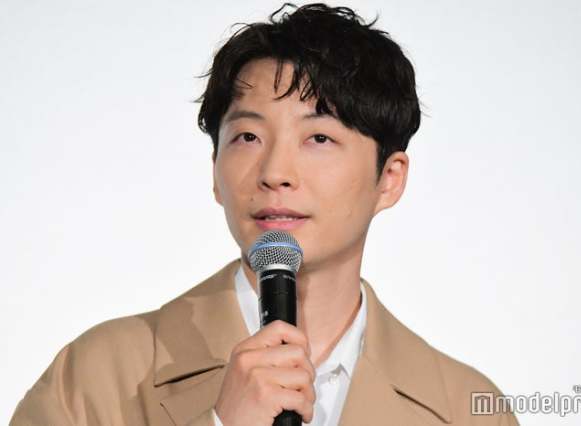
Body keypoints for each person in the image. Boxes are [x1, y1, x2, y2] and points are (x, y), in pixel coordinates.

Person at [10, 3, 519, 425]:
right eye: (248, 136)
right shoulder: (98, 375)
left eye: (319, 138)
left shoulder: (467, 409)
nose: (275, 172)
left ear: (389, 178)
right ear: (215, 170)